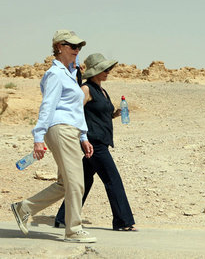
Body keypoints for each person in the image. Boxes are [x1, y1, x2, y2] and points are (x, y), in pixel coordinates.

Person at [10, 30, 96, 243]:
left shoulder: (69, 73)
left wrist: (83, 136)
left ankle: (24, 208)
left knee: (65, 183)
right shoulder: (55, 74)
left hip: (70, 130)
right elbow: (47, 106)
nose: (77, 50)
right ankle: (73, 230)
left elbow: (76, 108)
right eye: (73, 46)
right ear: (59, 47)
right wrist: (38, 137)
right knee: (76, 182)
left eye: (79, 47)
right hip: (60, 129)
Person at [54, 53, 137, 231]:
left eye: (108, 69)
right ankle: (123, 221)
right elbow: (75, 112)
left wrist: (116, 114)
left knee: (84, 180)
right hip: (93, 143)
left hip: (100, 142)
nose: (108, 72)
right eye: (104, 69)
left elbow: (101, 114)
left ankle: (62, 218)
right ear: (94, 71)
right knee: (113, 179)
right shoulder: (85, 89)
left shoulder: (102, 90)